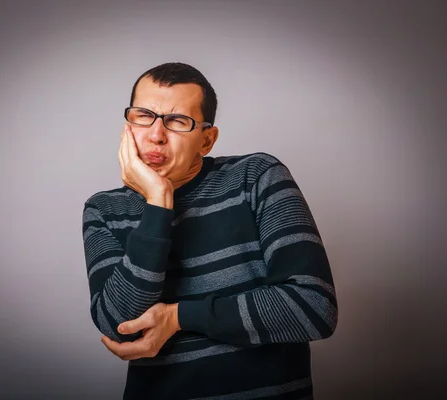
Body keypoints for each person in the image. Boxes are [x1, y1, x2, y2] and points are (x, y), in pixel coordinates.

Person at [82, 62, 337, 400]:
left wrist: (178, 316)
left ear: (206, 140)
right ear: (127, 125)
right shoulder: (104, 210)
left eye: (177, 121)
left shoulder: (257, 177)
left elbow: (313, 308)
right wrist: (159, 203)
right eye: (143, 115)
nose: (156, 134)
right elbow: (121, 327)